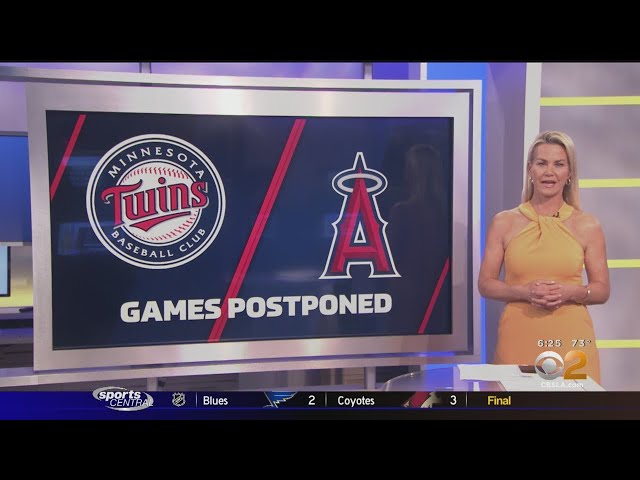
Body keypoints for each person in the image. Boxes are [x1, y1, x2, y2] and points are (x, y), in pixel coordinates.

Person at [478, 131, 610, 385]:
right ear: (530, 169)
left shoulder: (587, 225)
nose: (549, 172)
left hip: (571, 344)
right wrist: (524, 292)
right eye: (542, 163)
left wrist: (571, 292)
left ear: (569, 173)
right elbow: (485, 284)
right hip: (518, 337)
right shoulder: (504, 222)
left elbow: (602, 289)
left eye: (558, 164)